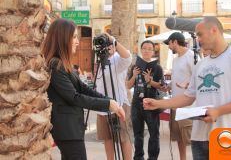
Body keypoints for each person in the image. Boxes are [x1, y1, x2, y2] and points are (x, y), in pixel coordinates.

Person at [143, 16, 231, 160]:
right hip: (199, 138)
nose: (197, 39)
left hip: (229, 136)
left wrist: (218, 111)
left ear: (214, 30)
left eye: (200, 34)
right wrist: (158, 103)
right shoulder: (200, 64)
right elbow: (188, 97)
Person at [41, 18, 125, 160]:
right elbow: (74, 97)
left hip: (72, 129)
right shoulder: (55, 65)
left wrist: (109, 101)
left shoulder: (62, 64)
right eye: (73, 37)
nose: (77, 42)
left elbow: (83, 88)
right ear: (62, 38)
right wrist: (108, 104)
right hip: (67, 130)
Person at [95, 33, 133, 160]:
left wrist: (113, 40)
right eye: (105, 44)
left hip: (119, 104)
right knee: (107, 138)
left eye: (110, 44)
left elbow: (128, 57)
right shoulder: (100, 60)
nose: (107, 47)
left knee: (123, 138)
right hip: (103, 106)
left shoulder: (118, 59)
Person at [127, 40, 163, 160]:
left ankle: (152, 157)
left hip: (152, 103)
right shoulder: (134, 66)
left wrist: (150, 81)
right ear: (141, 50)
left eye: (149, 49)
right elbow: (128, 85)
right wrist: (134, 75)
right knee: (138, 134)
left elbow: (162, 86)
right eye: (144, 48)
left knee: (154, 133)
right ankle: (138, 157)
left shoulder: (157, 68)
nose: (147, 51)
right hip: (137, 103)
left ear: (153, 51)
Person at [163, 32, 194, 160]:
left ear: (175, 42)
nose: (169, 47)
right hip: (175, 105)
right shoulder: (175, 60)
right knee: (179, 139)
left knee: (191, 139)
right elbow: (177, 78)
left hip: (188, 106)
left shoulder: (192, 56)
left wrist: (187, 85)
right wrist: (168, 86)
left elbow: (198, 79)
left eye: (169, 44)